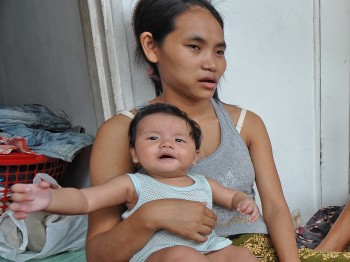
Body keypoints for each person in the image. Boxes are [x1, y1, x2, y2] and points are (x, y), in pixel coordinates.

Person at [83, 0, 350, 261]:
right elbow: (98, 254)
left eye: (219, 51)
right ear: (152, 47)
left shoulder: (246, 123)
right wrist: (151, 216)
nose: (212, 63)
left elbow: (276, 207)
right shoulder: (121, 130)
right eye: (194, 47)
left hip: (249, 252)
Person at [10, 103, 259, 262]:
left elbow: (231, 196)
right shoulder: (133, 184)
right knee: (183, 257)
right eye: (153, 137)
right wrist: (50, 199)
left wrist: (244, 201)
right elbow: (87, 199)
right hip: (157, 256)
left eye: (179, 140)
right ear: (135, 154)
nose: (167, 143)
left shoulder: (202, 182)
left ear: (195, 155)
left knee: (242, 256)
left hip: (209, 249)